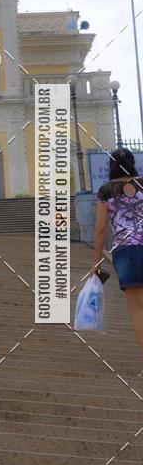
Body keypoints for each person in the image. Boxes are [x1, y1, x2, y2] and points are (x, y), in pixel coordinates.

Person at [92, 147, 143, 354]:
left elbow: (101, 228)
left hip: (125, 251)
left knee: (137, 309)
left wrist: (96, 261)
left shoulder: (107, 190)